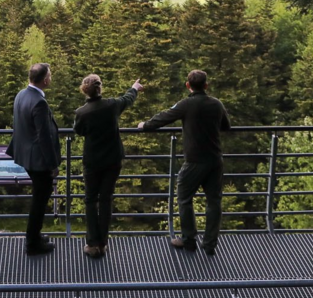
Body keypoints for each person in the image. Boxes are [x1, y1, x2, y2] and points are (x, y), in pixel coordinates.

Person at [138, 69, 231, 256]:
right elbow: (226, 126)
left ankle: (189, 240)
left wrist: (144, 126)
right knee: (214, 202)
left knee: (184, 198)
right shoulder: (216, 104)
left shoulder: (186, 105)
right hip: (215, 160)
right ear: (206, 85)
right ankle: (210, 244)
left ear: (188, 85)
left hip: (195, 161)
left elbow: (163, 117)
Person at [72, 75, 143, 258]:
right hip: (113, 160)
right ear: (100, 88)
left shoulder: (82, 112)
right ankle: (103, 243)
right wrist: (134, 87)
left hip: (92, 161)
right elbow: (127, 99)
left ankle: (92, 243)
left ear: (84, 90)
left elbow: (79, 131)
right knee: (106, 199)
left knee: (90, 200)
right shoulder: (111, 105)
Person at [8, 62, 61, 255]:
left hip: (25, 155)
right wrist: (52, 164)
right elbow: (43, 137)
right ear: (45, 79)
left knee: (39, 198)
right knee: (40, 200)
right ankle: (32, 242)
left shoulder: (21, 95)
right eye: (51, 75)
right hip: (38, 160)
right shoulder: (39, 102)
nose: (51, 78)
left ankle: (35, 236)